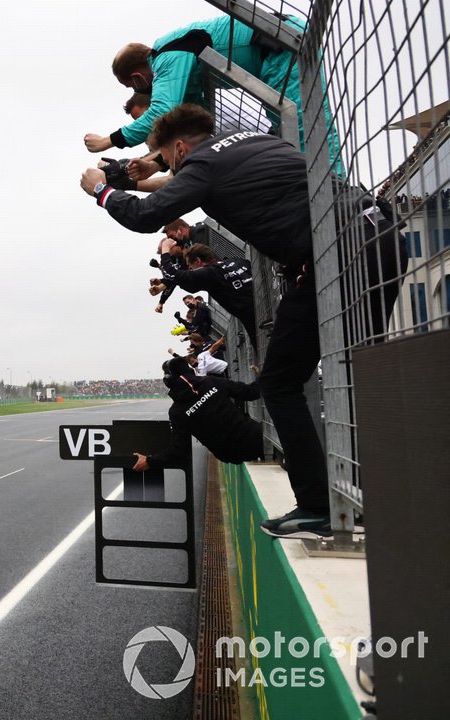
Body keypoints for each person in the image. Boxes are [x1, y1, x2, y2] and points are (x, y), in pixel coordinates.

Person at [80, 104, 336, 538]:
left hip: (328, 257)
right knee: (365, 374)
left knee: (280, 385)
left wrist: (102, 191)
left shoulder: (202, 163)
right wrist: (141, 172)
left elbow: (147, 215)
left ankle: (319, 507)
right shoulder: (256, 141)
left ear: (179, 148)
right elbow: (175, 181)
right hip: (361, 231)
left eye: (168, 157)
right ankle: (352, 493)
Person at [84, 15, 315, 156]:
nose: (137, 91)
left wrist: (109, 141)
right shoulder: (181, 69)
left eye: (131, 86)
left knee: (306, 128)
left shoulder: (167, 56)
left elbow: (160, 111)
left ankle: (331, 196)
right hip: (273, 54)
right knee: (291, 130)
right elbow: (196, 119)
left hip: (278, 46)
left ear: (136, 77)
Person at [133, 358, 266, 479]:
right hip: (256, 438)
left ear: (168, 381)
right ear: (190, 371)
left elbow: (179, 451)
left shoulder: (177, 412)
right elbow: (252, 392)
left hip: (232, 455)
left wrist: (150, 462)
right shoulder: (213, 382)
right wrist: (262, 376)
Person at [166, 244, 258, 347]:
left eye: (191, 267)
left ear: (198, 261)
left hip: (256, 321)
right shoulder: (237, 261)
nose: (191, 270)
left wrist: (165, 249)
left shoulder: (209, 273)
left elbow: (172, 275)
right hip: (269, 302)